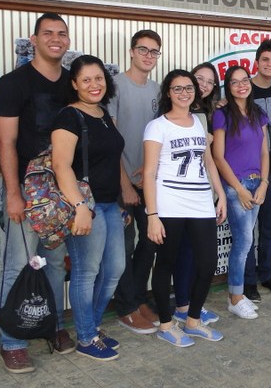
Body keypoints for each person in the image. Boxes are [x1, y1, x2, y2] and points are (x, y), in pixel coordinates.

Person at [0, 12, 76, 373]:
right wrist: (12, 193)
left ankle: (54, 325)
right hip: (26, 189)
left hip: (61, 191)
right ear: (34, 39)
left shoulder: (73, 83)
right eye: (48, 33)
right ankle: (11, 341)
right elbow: (5, 142)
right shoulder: (14, 82)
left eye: (61, 34)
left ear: (68, 40)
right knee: (18, 263)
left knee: (56, 263)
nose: (55, 39)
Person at [51, 55, 126, 361]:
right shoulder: (69, 117)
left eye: (99, 78)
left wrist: (122, 201)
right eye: (86, 80)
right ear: (74, 84)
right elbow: (60, 165)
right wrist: (81, 207)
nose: (94, 85)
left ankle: (91, 325)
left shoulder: (104, 113)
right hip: (87, 207)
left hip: (110, 205)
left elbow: (111, 160)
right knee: (86, 272)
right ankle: (85, 336)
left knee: (114, 270)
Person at [144, 70, 227, 347]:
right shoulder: (158, 126)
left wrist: (221, 196)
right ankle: (166, 325)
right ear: (168, 92)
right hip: (169, 203)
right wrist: (152, 215)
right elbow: (149, 173)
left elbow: (209, 162)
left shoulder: (198, 122)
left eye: (188, 88)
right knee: (166, 263)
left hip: (201, 202)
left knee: (207, 263)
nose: (184, 93)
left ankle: (192, 320)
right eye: (177, 88)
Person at [110, 30, 162, 335]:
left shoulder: (157, 89)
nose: (148, 56)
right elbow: (112, 141)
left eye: (154, 51)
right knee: (124, 248)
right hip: (122, 184)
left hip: (151, 184)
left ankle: (139, 298)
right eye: (143, 49)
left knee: (151, 242)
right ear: (131, 51)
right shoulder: (115, 86)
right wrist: (125, 185)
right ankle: (126, 307)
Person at [213, 66, 269, 319]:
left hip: (257, 184)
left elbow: (264, 151)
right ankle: (235, 297)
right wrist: (237, 188)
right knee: (244, 241)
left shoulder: (259, 113)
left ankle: (239, 294)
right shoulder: (222, 115)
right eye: (234, 82)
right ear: (228, 86)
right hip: (236, 186)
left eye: (244, 80)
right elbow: (218, 156)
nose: (241, 85)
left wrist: (265, 183)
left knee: (247, 240)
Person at [170, 62, 222, 326]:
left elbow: (210, 160)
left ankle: (190, 303)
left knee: (195, 253)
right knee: (184, 253)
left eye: (209, 81)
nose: (203, 84)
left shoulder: (207, 112)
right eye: (198, 79)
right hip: (179, 195)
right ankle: (182, 305)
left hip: (202, 191)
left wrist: (217, 193)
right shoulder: (179, 114)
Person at [245, 40, 271, 299]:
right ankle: (248, 280)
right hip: (248, 171)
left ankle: (267, 274)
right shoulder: (243, 88)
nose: (270, 64)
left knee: (270, 226)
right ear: (257, 61)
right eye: (266, 60)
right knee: (248, 230)